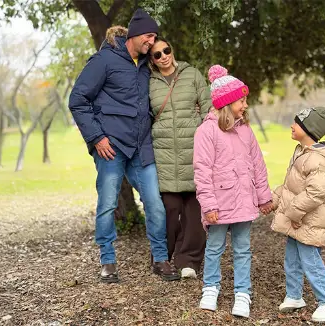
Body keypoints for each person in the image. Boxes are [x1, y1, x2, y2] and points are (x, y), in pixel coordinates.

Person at [68, 8, 180, 283]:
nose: (152, 42)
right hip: (111, 146)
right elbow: (78, 100)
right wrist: (96, 138)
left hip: (141, 147)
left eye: (155, 37)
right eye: (149, 36)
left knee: (155, 204)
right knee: (107, 204)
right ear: (134, 33)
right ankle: (107, 261)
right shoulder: (104, 60)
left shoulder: (145, 65)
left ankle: (161, 259)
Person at [193, 65, 274, 318]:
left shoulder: (246, 131)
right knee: (215, 247)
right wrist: (209, 206)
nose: (245, 105)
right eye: (241, 100)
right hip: (219, 204)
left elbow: (258, 166)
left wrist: (263, 197)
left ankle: (242, 293)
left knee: (242, 249)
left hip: (244, 204)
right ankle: (210, 288)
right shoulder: (206, 131)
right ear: (227, 102)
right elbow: (202, 171)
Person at [148, 37, 214, 279]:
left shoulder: (192, 74)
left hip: (194, 150)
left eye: (166, 50)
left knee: (194, 211)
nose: (163, 56)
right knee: (167, 208)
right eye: (157, 54)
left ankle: (189, 261)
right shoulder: (148, 82)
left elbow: (208, 108)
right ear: (152, 60)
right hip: (163, 153)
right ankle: (162, 256)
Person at [270, 106, 325, 322]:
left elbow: (314, 194)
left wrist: (293, 214)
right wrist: (272, 200)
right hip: (300, 219)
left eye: (296, 123)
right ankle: (294, 296)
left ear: (308, 129)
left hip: (310, 221)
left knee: (310, 260)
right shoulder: (303, 153)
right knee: (291, 258)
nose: (292, 126)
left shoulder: (319, 161)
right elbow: (291, 187)